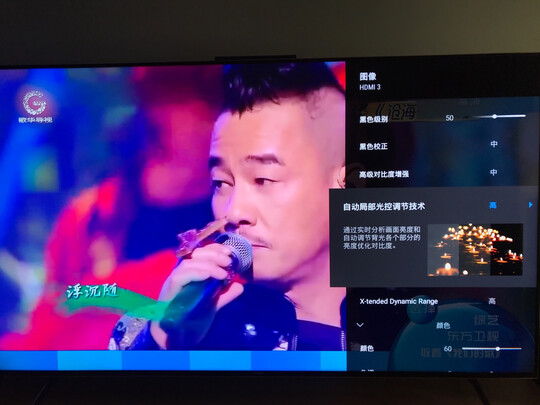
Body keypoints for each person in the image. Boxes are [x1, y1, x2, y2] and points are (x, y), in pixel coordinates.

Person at [111, 62, 347, 351]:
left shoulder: (395, 321)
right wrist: (164, 342)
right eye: (221, 183)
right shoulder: (175, 333)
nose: (234, 213)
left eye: (263, 179)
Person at [0, 66, 220, 350]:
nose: (165, 112)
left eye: (208, 101)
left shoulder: (237, 222)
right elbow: (55, 312)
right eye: (164, 96)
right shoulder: (88, 215)